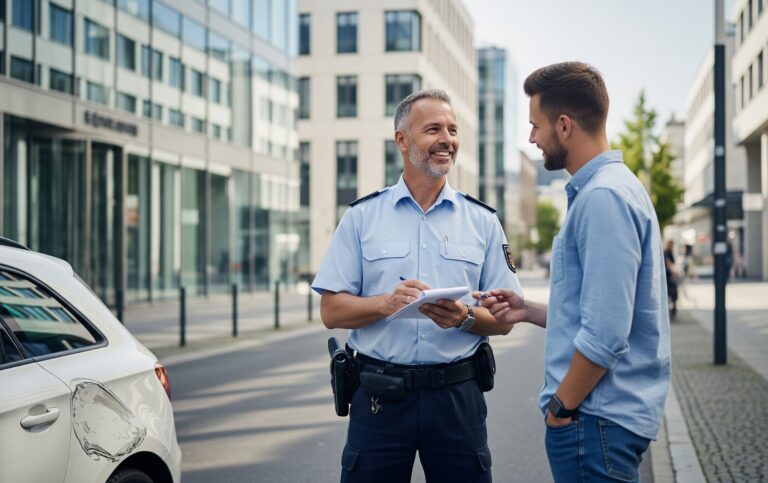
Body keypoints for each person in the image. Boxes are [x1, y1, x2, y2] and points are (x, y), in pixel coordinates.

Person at [312, 89, 523, 483]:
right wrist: (386, 304)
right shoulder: (361, 218)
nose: (448, 139)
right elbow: (330, 312)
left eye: (453, 130)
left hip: (457, 399)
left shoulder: (483, 222)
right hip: (379, 398)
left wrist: (463, 318)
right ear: (402, 140)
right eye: (433, 129)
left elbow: (505, 318)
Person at [479, 62, 670, 482]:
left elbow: (605, 333)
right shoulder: (615, 188)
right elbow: (601, 309)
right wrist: (527, 310)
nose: (532, 138)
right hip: (601, 423)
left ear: (564, 126)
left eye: (535, 125)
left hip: (594, 421)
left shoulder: (603, 199)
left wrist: (561, 409)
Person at [664, 240, 678, 318]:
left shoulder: (670, 252)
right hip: (666, 276)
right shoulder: (665, 253)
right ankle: (672, 309)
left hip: (669, 276)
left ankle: (674, 308)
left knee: (674, 290)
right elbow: (668, 263)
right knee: (672, 290)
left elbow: (673, 262)